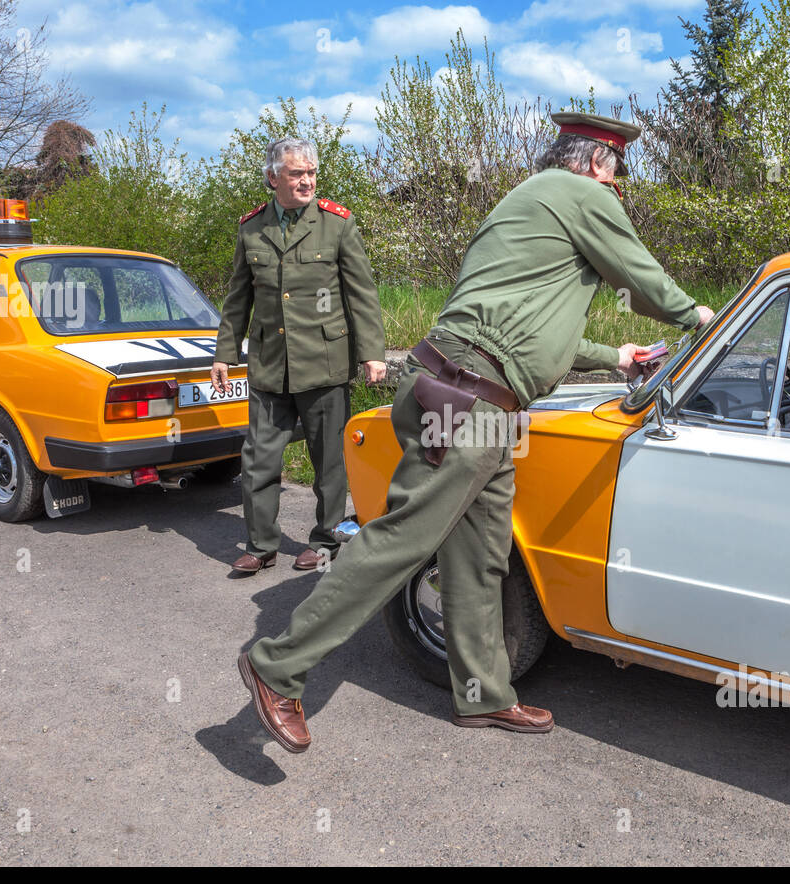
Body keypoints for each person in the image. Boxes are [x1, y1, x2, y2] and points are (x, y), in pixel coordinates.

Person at [237, 112, 715, 753]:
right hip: (468, 397)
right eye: (619, 174)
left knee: (481, 555)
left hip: (476, 393)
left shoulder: (531, 201)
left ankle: (482, 696)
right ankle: (277, 666)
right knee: (403, 539)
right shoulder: (580, 193)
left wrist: (615, 357)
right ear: (598, 164)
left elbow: (529, 322)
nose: (618, 188)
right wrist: (702, 316)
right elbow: (643, 279)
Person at [213, 137, 387, 574]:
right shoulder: (251, 228)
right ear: (273, 178)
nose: (307, 180)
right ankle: (260, 545)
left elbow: (361, 294)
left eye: (310, 172)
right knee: (258, 458)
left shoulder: (337, 224)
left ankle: (325, 540)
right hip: (271, 363)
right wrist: (224, 354)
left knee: (328, 461)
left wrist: (372, 353)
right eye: (296, 173)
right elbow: (238, 297)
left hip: (324, 361)